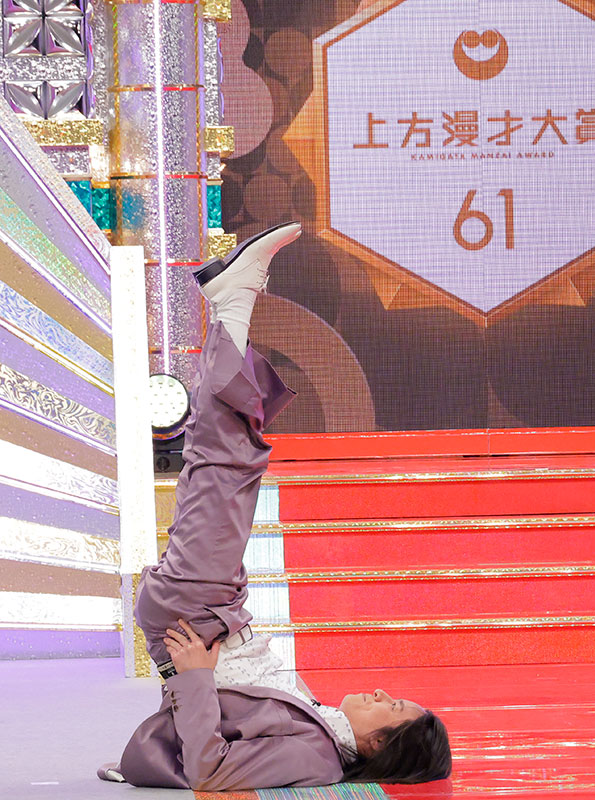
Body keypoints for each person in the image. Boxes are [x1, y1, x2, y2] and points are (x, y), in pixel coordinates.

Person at [98, 222, 452, 789]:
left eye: (394, 707)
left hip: (194, 617)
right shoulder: (323, 724)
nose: (383, 693)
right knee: (222, 460)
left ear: (380, 744)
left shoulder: (317, 758)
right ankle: (230, 303)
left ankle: (233, 300)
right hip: (219, 607)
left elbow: (211, 771)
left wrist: (193, 680)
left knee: (226, 464)